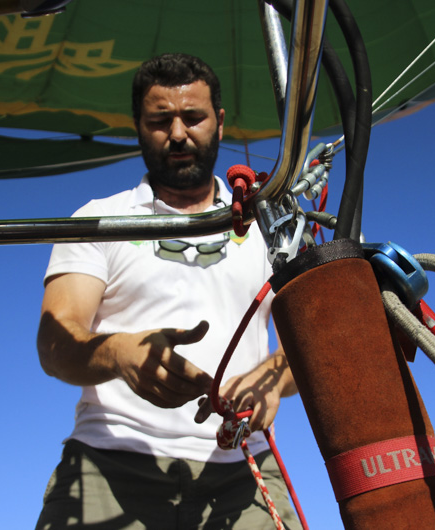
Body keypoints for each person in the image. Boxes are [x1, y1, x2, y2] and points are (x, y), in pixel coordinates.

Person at [35, 52, 300, 529]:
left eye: (192, 117)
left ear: (218, 122)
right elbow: (55, 344)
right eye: (160, 120)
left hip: (244, 469)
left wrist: (273, 378)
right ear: (138, 125)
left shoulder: (272, 224)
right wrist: (119, 352)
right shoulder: (98, 219)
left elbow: (323, 338)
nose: (178, 134)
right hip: (108, 463)